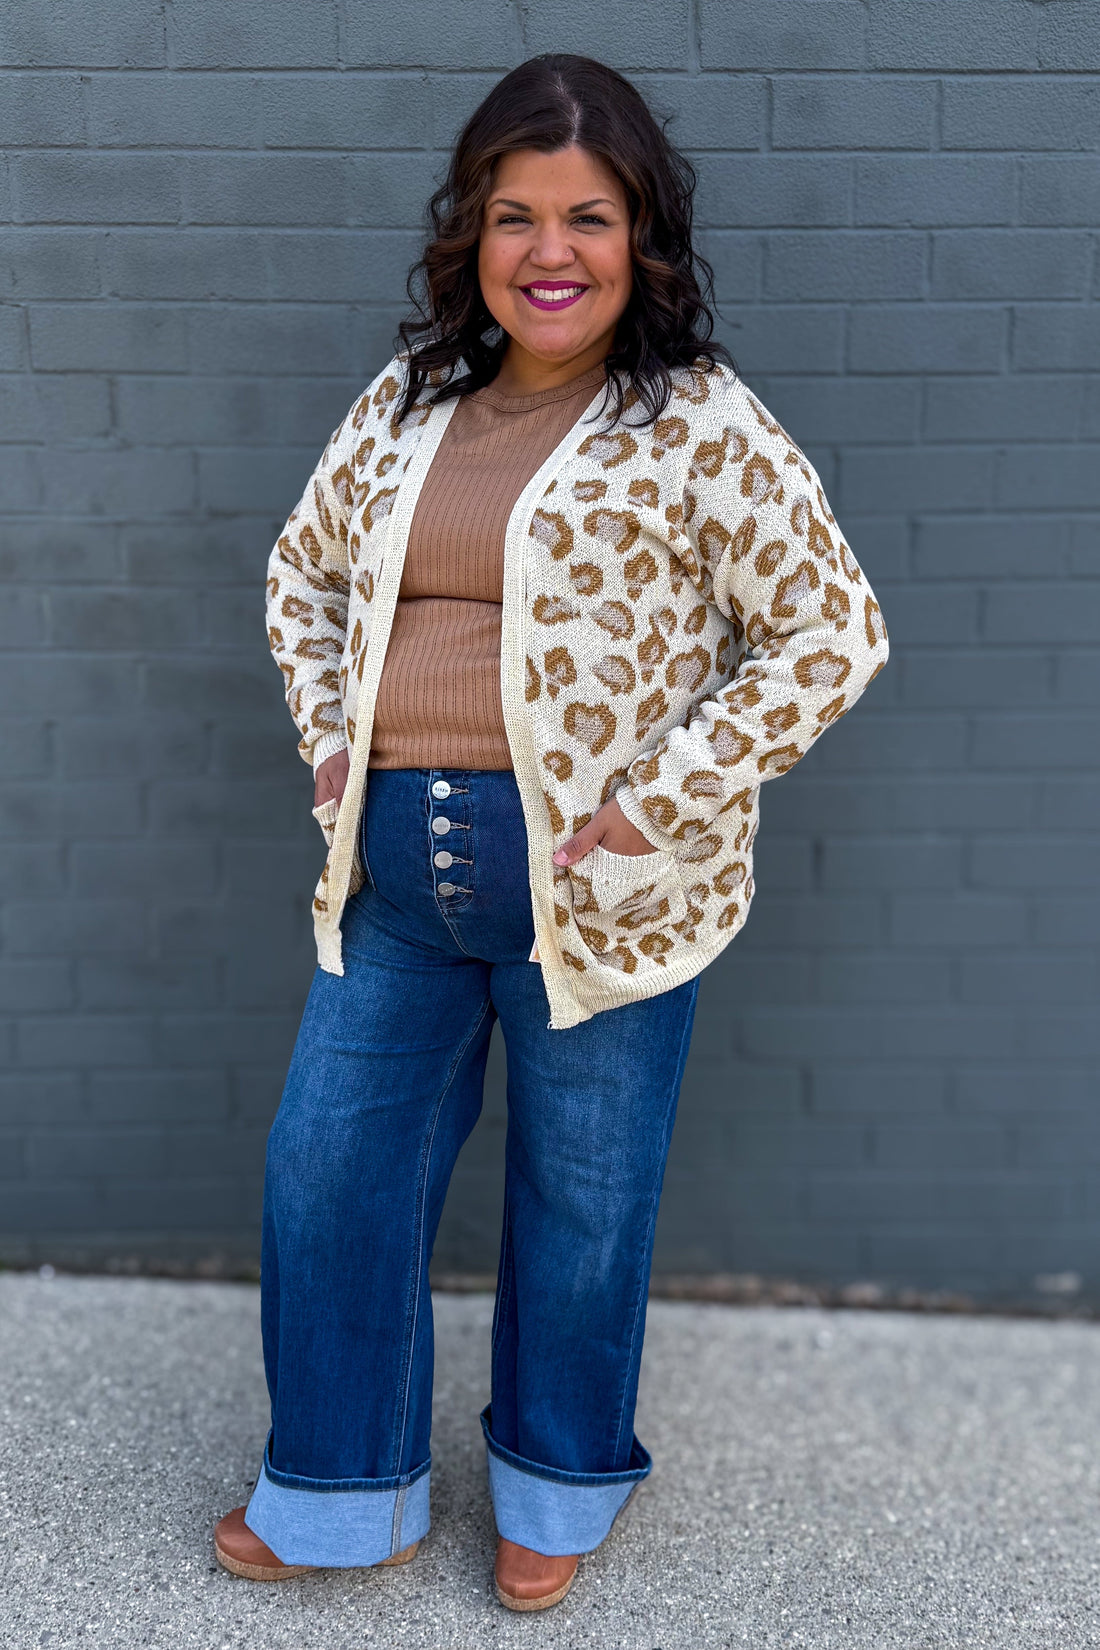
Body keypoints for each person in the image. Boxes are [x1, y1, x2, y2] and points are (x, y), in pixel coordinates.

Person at [213, 53, 889, 1612]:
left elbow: (826, 633)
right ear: (472, 237)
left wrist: (667, 791)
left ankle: (557, 1482)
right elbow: (301, 575)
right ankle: (335, 1489)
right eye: (513, 216)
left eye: (589, 215)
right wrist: (334, 743)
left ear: (643, 234)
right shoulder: (409, 401)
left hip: (608, 896)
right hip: (396, 875)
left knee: (582, 1200)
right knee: (330, 1174)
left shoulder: (697, 420)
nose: (549, 250)